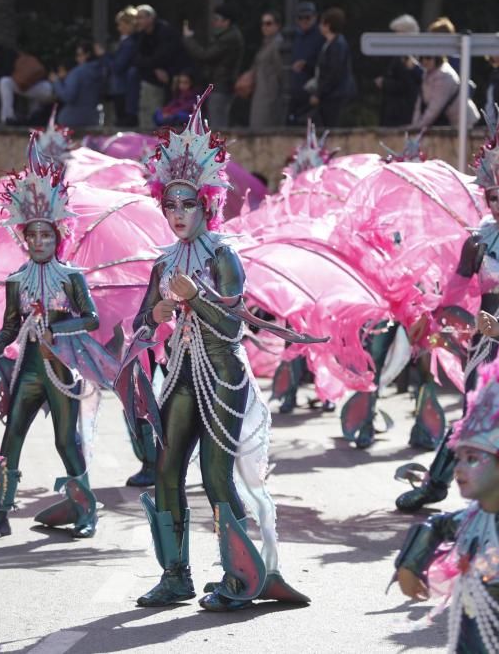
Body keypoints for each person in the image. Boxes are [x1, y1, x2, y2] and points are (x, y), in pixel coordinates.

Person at [132, 88, 308, 610]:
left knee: (214, 473)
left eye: (188, 203)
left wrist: (197, 296)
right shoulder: (163, 262)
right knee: (166, 469)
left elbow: (234, 327)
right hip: (181, 373)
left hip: (224, 375)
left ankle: (239, 578)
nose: (178, 212)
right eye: (170, 203)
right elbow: (143, 323)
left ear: (206, 203)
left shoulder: (224, 255)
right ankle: (176, 575)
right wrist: (157, 316)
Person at [395, 113, 499, 511]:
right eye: (493, 198)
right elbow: (452, 297)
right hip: (487, 345)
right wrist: (463, 325)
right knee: (474, 413)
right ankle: (437, 482)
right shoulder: (476, 243)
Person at [0, 134, 102, 540]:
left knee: (67, 440)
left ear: (58, 236)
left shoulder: (72, 277)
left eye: (47, 235)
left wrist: (57, 328)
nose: (41, 242)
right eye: (34, 236)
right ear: (24, 238)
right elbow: (11, 328)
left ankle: (85, 511)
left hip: (61, 369)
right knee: (11, 438)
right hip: (27, 370)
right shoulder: (16, 281)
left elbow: (92, 319)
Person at [395, 354, 499, 653]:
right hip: (470, 631)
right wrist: (409, 565)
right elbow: (436, 525)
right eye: (459, 457)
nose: (458, 468)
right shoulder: (473, 518)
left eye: (472, 459)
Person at [182, 4, 243, 129]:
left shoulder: (229, 38)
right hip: (219, 84)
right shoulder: (226, 36)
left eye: (217, 19)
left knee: (218, 125)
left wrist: (189, 39)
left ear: (227, 21)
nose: (214, 23)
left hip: (221, 85)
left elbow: (205, 55)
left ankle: (219, 148)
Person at [133, 4, 189, 127]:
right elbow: (137, 58)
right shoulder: (142, 35)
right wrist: (154, 67)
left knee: (159, 111)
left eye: (141, 18)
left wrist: (153, 64)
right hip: (149, 77)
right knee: (145, 110)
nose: (138, 22)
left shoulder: (165, 32)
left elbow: (163, 56)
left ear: (151, 18)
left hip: (169, 78)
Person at [309, 7, 356, 128]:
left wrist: (319, 93)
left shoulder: (337, 45)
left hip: (334, 96)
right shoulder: (331, 44)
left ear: (327, 25)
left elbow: (333, 73)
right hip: (331, 95)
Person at [375, 14, 423, 127]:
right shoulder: (403, 53)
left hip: (401, 112)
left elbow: (407, 85)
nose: (394, 35)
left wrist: (384, 83)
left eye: (397, 31)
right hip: (395, 110)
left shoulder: (408, 56)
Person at [409, 54, 477, 129]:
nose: (424, 61)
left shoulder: (445, 74)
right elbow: (419, 105)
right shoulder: (426, 74)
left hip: (466, 122)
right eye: (421, 58)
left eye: (428, 57)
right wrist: (414, 125)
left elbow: (435, 108)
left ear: (437, 57)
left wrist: (417, 127)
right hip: (451, 122)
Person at [50, 41, 105, 128]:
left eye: (79, 55)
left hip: (71, 119)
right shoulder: (101, 71)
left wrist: (56, 82)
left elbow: (68, 96)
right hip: (94, 118)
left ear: (87, 54)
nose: (77, 58)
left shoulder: (77, 73)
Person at [288, 1, 325, 125]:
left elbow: (325, 65)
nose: (304, 21)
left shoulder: (321, 36)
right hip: (298, 90)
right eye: (300, 18)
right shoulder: (298, 36)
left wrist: (307, 65)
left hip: (311, 91)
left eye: (307, 17)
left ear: (315, 17)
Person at [104, 6, 140, 127]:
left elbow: (117, 66)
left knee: (123, 122)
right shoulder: (126, 42)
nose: (119, 28)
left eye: (121, 24)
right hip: (121, 88)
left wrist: (105, 56)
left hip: (123, 89)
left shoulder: (129, 44)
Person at [250, 10, 284, 129]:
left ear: (277, 25)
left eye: (268, 23)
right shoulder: (267, 43)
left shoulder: (278, 44)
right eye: (263, 23)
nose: (264, 27)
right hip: (261, 94)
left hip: (270, 97)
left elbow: (281, 71)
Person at [0, 50, 52, 125]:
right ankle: (33, 118)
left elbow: (20, 82)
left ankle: (6, 117)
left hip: (39, 89)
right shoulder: (29, 58)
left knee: (5, 82)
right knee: (33, 102)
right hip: (46, 86)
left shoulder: (11, 60)